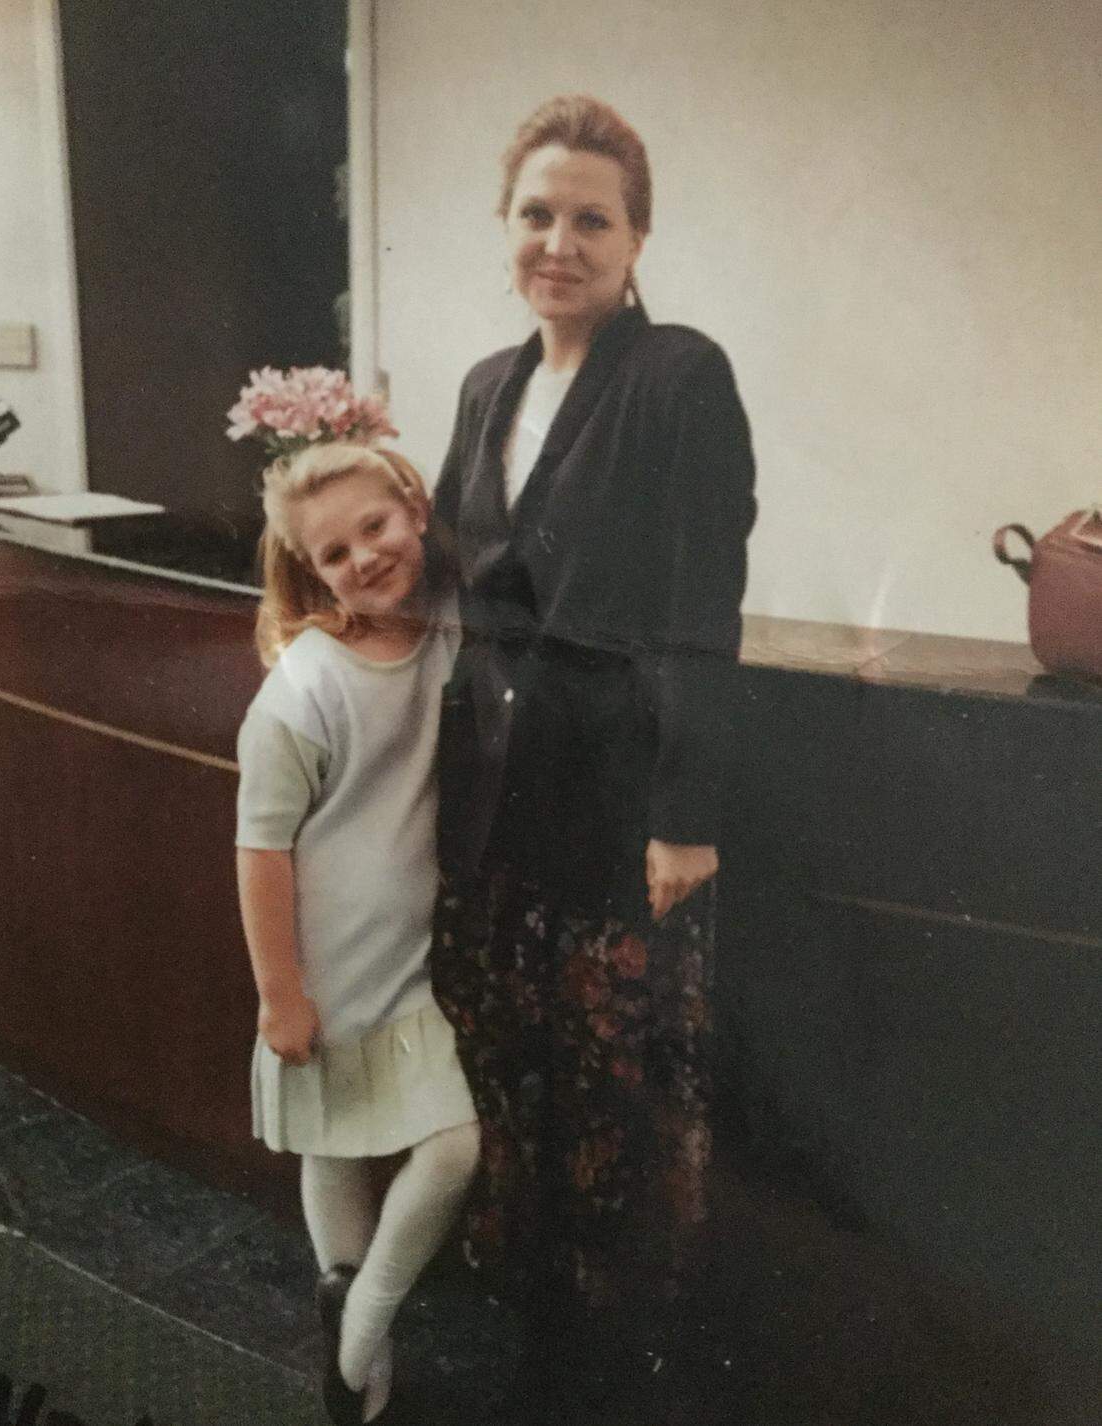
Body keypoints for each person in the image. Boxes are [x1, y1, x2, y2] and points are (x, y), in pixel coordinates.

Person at [430, 95, 757, 1424]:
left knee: (614, 1093)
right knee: (511, 1068)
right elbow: (460, 583)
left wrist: (684, 812)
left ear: (637, 237)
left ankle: (606, 1370)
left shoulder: (677, 372)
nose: (559, 241)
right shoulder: (484, 384)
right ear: (506, 225)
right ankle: (526, 1338)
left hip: (620, 802)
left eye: (591, 218)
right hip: (493, 799)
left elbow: (697, 602)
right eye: (536, 214)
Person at [234, 433, 480, 1426]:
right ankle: (359, 1350)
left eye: (374, 526)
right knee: (333, 1148)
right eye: (334, 554)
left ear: (414, 509)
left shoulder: (452, 628)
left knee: (450, 1145)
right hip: (324, 964)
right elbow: (260, 848)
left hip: (406, 956)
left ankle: (358, 1320)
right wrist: (281, 991)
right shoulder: (306, 685)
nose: (364, 557)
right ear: (310, 571)